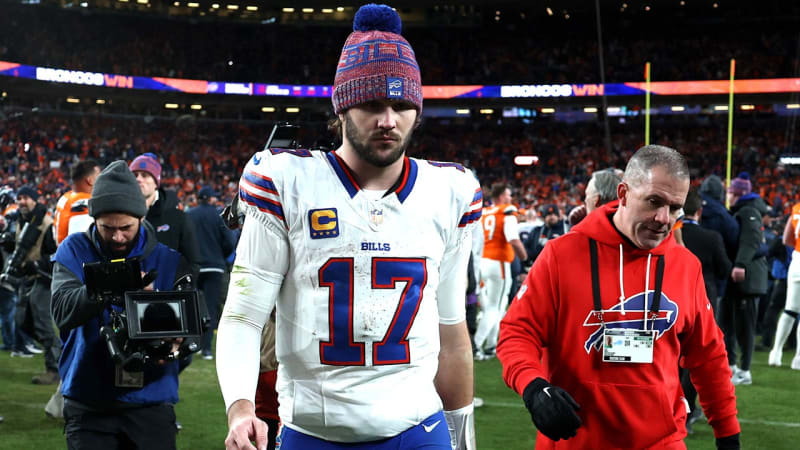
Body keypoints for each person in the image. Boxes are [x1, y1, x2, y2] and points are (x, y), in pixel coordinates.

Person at [217, 4, 478, 449]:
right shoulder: (286, 180)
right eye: (372, 104)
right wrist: (241, 408)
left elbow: (451, 334)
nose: (388, 121)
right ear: (341, 108)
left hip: (419, 430)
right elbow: (244, 316)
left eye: (401, 105)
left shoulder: (450, 191)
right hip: (314, 432)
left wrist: (463, 436)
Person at [497, 145, 740, 449]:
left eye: (675, 207)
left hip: (661, 442)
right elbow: (517, 332)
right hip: (575, 440)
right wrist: (533, 387)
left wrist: (728, 434)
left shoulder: (686, 266)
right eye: (654, 201)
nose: (664, 218)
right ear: (623, 193)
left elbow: (709, 356)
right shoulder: (561, 255)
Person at [50, 161, 195, 449]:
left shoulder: (169, 259)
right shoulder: (73, 250)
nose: (117, 236)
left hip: (151, 400)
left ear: (141, 218)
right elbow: (62, 311)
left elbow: (193, 330)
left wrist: (174, 347)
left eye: (126, 227)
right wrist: (114, 285)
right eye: (108, 228)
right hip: (88, 400)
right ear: (94, 220)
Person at [678, 189, 733, 433]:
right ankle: (686, 411)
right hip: (703, 302)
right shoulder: (711, 237)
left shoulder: (665, 235)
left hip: (669, 301)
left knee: (670, 357)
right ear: (699, 211)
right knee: (696, 360)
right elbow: (724, 270)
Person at [9, 185, 60, 384]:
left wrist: (38, 263)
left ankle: (54, 369)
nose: (22, 201)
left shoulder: (47, 223)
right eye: (19, 198)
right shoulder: (24, 220)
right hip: (26, 277)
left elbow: (58, 253)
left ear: (35, 200)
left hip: (43, 278)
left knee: (42, 322)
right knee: (21, 320)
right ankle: (57, 348)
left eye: (26, 198)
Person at [721, 172, 768, 385]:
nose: (728, 195)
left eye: (731, 192)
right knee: (729, 323)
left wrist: (740, 264)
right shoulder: (746, 210)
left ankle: (744, 370)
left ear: (738, 193)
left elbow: (751, 241)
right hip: (740, 279)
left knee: (744, 327)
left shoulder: (749, 211)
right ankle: (731, 366)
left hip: (747, 279)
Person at [475, 183, 527, 360]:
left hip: (482, 261)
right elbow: (512, 237)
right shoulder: (507, 211)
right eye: (509, 195)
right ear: (502, 197)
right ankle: (476, 345)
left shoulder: (485, 212)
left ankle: (490, 346)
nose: (511, 198)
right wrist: (525, 258)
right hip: (499, 263)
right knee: (494, 308)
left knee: (495, 306)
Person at [187, 186, 235, 359]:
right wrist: (220, 256)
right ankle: (206, 349)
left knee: (193, 307)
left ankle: (194, 345)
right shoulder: (218, 215)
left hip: (195, 266)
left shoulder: (189, 214)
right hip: (214, 266)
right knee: (210, 308)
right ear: (210, 199)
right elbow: (230, 241)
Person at [130, 153, 200, 268]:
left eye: (144, 175)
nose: (138, 179)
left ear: (156, 182)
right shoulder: (121, 216)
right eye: (134, 175)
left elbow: (192, 262)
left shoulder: (177, 217)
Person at [769, 202, 800, 369]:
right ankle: (798, 359)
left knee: (789, 310)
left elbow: (787, 239)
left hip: (797, 262)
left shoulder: (796, 208)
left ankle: (775, 353)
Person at [53, 160, 101, 245]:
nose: (102, 179)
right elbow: (81, 244)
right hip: (75, 255)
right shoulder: (82, 202)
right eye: (99, 176)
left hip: (63, 252)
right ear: (90, 180)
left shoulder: (66, 197)